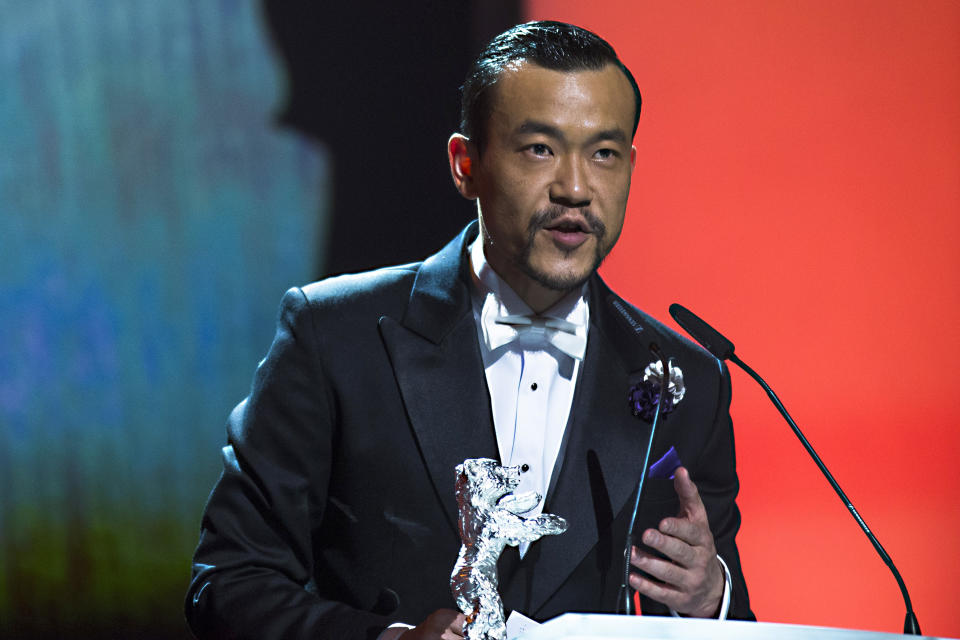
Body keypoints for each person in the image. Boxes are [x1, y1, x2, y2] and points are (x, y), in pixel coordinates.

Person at [185, 21, 754, 640]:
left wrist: (708, 596)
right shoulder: (335, 335)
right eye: (540, 148)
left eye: (604, 153)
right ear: (466, 165)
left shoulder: (685, 381)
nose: (575, 187)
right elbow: (230, 582)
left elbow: (732, 623)